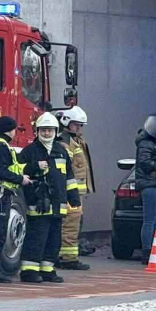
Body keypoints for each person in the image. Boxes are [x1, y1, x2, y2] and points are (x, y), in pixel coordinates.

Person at [18, 112, 70, 283]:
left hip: (57, 205)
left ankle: (47, 270)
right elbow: (17, 169)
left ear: (55, 131)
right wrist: (34, 166)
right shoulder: (30, 150)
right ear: (37, 131)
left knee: (54, 239)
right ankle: (29, 271)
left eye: (50, 130)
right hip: (38, 204)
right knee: (36, 238)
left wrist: (74, 198)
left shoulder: (61, 151)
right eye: (43, 130)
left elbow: (69, 177)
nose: (47, 133)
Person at [0, 116, 30, 284]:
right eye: (14, 129)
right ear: (10, 130)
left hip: (1, 194)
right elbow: (1, 171)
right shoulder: (0, 146)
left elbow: (9, 168)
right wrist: (20, 179)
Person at [56, 106, 94, 270]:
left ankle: (65, 256)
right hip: (69, 193)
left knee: (72, 225)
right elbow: (66, 169)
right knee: (69, 226)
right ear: (67, 123)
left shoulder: (76, 141)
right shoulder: (65, 143)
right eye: (76, 125)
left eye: (80, 125)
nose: (79, 128)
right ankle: (68, 259)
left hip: (76, 193)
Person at [135, 114, 156, 263]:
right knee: (150, 220)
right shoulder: (145, 143)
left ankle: (155, 251)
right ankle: (147, 252)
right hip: (150, 184)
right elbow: (145, 163)